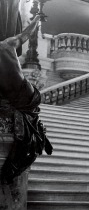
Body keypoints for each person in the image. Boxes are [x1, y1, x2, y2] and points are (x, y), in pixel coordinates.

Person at [0, 15, 53, 184]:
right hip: (23, 91)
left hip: (24, 94)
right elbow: (25, 34)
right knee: (29, 120)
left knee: (29, 121)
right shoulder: (7, 44)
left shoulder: (6, 45)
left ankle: (35, 133)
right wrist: (36, 19)